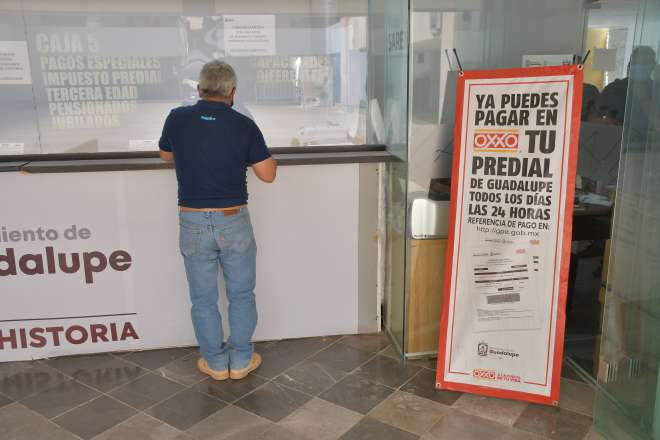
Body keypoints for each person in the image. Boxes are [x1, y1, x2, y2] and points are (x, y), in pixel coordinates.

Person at [159, 60, 277, 381]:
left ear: (199, 90)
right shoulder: (243, 125)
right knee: (241, 294)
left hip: (192, 220)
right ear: (232, 93)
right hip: (233, 220)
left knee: (203, 299)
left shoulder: (176, 118)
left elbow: (166, 155)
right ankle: (240, 361)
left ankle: (214, 362)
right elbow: (268, 174)